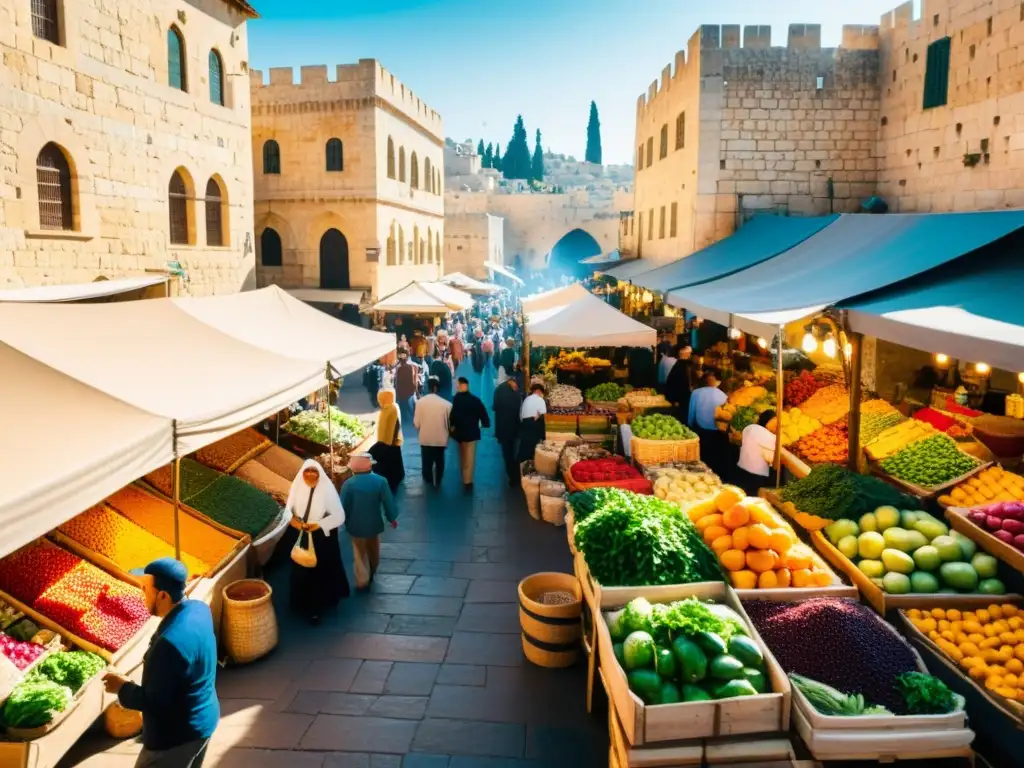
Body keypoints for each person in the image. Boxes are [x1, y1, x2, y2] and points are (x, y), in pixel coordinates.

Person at [103, 558, 218, 768]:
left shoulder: (169, 645)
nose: (142, 595)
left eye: (146, 589)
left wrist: (121, 687)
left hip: (176, 737)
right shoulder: (199, 609)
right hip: (205, 718)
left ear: (163, 595)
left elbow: (155, 703)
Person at [279, 460, 349, 622]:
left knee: (319, 572)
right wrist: (295, 523)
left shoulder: (326, 489)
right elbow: (287, 511)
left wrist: (318, 525)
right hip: (301, 534)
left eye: (314, 471)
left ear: (319, 473)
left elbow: (339, 515)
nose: (310, 474)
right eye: (307, 471)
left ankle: (317, 608)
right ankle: (301, 603)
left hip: (321, 537)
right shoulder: (296, 487)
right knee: (301, 570)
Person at [341, 453, 399, 590]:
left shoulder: (348, 484)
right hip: (374, 524)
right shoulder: (381, 481)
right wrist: (392, 518)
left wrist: (343, 522)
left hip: (355, 526)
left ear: (353, 468)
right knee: (374, 551)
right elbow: (388, 502)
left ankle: (362, 580)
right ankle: (372, 569)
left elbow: (343, 506)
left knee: (359, 553)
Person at [450, 377, 491, 489]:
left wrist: (451, 427)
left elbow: (453, 416)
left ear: (461, 386)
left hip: (460, 433)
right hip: (472, 433)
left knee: (462, 456)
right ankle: (468, 480)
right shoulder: (475, 400)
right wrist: (485, 423)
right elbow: (483, 412)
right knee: (470, 457)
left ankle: (463, 476)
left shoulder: (457, 399)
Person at [414, 376, 453, 488]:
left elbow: (416, 424)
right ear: (436, 388)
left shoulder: (420, 403)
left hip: (425, 439)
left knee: (426, 462)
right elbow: (450, 424)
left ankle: (429, 481)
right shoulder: (447, 405)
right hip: (441, 440)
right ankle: (438, 480)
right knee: (440, 461)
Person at [687, 370, 729, 474]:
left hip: (701, 431)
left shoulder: (696, 393)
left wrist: (689, 427)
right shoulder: (723, 395)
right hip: (718, 433)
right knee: (715, 460)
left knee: (702, 459)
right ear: (718, 382)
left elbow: (691, 414)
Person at [369, 388, 405, 492]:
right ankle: (396, 478)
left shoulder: (391, 409)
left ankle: (392, 482)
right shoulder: (388, 407)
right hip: (390, 442)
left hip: (389, 442)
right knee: (395, 462)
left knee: (390, 464)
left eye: (380, 399)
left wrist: (386, 442)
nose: (379, 401)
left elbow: (392, 427)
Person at [736, 410, 779, 496]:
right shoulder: (764, 434)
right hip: (756, 470)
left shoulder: (752, 428)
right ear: (766, 420)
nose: (775, 427)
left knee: (748, 489)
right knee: (753, 491)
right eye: (773, 422)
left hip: (745, 467)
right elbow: (771, 454)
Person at [493, 376, 522, 486]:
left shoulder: (498, 390)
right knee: (515, 453)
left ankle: (512, 477)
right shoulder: (516, 394)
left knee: (507, 454)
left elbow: (495, 407)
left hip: (502, 429)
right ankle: (516, 476)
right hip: (514, 428)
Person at [517, 382, 547, 461]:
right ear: (538, 391)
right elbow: (543, 414)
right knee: (532, 449)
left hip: (524, 426)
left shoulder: (526, 399)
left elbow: (521, 415)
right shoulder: (540, 400)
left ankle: (520, 466)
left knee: (524, 448)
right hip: (533, 426)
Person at [665, 345, 695, 421]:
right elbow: (679, 383)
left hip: (679, 399)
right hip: (682, 399)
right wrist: (675, 400)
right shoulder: (683, 366)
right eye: (689, 353)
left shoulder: (679, 365)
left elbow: (670, 383)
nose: (690, 355)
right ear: (685, 354)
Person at [394, 351, 419, 426]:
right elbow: (415, 380)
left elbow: (397, 382)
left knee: (404, 409)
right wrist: (416, 391)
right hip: (409, 392)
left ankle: (406, 421)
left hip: (403, 392)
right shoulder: (412, 367)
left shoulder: (399, 368)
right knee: (410, 409)